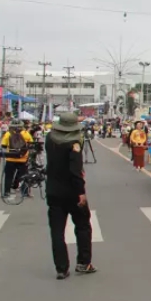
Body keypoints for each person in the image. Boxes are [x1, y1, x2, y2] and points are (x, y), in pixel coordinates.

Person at [45, 113, 96, 280]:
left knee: (57, 231)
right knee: (82, 226)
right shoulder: (74, 143)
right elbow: (75, 171)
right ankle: (83, 263)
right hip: (72, 192)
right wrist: (81, 192)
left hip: (53, 190)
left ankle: (61, 268)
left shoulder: (49, 139)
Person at [0, 119, 33, 197]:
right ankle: (24, 192)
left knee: (8, 176)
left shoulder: (8, 134)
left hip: (10, 158)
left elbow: (3, 145)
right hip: (23, 158)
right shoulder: (26, 134)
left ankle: (6, 192)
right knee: (24, 176)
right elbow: (31, 145)